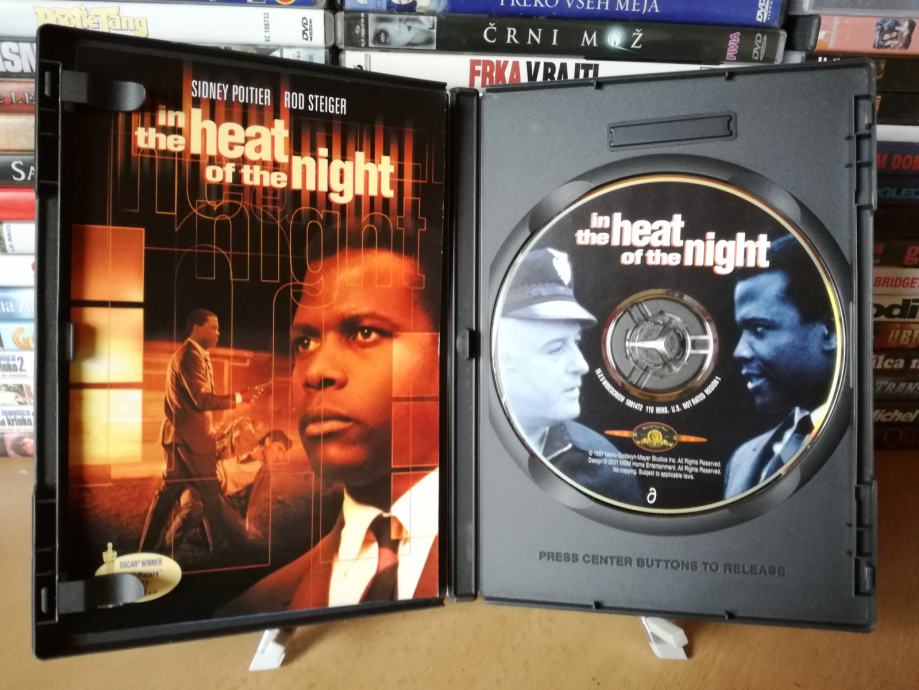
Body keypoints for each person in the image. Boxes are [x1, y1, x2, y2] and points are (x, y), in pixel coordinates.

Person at [225, 242, 441, 612]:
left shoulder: (524, 553)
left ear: (447, 349)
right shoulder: (254, 608)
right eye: (305, 342)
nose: (316, 371)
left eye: (365, 332)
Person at [496, 247, 642, 505]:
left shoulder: (603, 469)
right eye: (555, 348)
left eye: (575, 341)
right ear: (498, 354)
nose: (581, 365)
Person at [138, 309, 262, 554]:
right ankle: (222, 549)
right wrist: (240, 397)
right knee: (209, 492)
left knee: (172, 494)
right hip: (190, 441)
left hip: (180, 437)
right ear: (196, 327)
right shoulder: (190, 356)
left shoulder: (193, 355)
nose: (218, 332)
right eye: (213, 327)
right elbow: (201, 400)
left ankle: (147, 549)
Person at [723, 235, 837, 498]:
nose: (738, 352)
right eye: (742, 331)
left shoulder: (854, 444)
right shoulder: (741, 460)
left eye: (758, 329)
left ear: (830, 331)